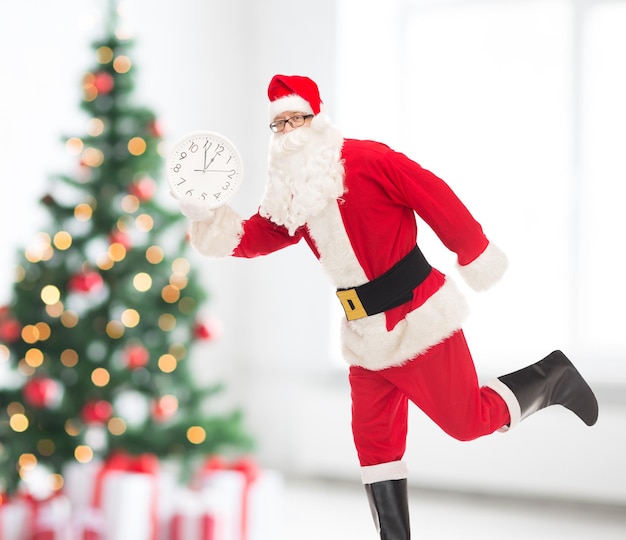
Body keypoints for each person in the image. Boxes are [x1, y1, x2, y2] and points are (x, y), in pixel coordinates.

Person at [176, 74, 599, 539]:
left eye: (295, 119)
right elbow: (261, 234)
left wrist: (473, 252)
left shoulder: (367, 159)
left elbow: (433, 195)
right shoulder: (292, 194)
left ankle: (552, 377)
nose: (287, 132)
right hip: (364, 335)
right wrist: (207, 216)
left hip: (419, 319)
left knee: (468, 422)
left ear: (317, 119)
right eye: (277, 125)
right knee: (374, 448)